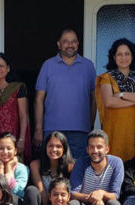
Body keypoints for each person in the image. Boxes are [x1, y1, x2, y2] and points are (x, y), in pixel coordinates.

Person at [34, 28, 97, 161]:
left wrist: (90, 124)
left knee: (77, 169)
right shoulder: (48, 65)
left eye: (73, 41)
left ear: (78, 44)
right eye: (66, 41)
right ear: (59, 44)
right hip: (52, 130)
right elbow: (39, 100)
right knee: (52, 170)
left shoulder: (88, 66)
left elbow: (94, 98)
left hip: (80, 131)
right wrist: (38, 129)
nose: (70, 45)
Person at [96, 38, 135, 161]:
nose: (124, 58)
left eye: (127, 54)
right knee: (114, 163)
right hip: (115, 131)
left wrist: (121, 94)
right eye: (119, 54)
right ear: (114, 57)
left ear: (133, 56)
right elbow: (109, 102)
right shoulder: (107, 77)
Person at [0, 53, 30, 159]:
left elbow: (23, 115)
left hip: (12, 137)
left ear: (8, 68)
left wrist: (22, 139)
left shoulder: (18, 88)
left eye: (1, 66)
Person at [70, 130, 124, 205]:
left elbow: (115, 195)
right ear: (87, 149)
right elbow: (73, 193)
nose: (95, 151)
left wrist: (101, 193)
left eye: (99, 147)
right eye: (91, 147)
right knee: (73, 204)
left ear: (107, 149)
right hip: (85, 203)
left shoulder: (116, 163)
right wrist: (94, 198)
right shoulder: (81, 163)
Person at [28, 131, 75, 205]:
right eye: (51, 146)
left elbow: (71, 193)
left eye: (58, 146)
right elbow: (42, 192)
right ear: (45, 147)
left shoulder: (71, 166)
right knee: (31, 191)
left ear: (64, 149)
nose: (54, 149)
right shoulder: (36, 165)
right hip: (44, 203)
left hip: (63, 204)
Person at [0, 132, 29, 204]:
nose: (5, 152)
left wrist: (9, 167)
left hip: (15, 204)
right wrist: (0, 167)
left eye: (9, 148)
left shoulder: (22, 168)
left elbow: (16, 191)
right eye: (1, 148)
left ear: (15, 151)